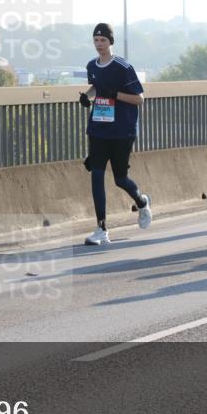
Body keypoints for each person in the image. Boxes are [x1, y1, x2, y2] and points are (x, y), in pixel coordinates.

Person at [78, 23, 151, 246]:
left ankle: (141, 201)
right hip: (99, 128)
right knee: (97, 175)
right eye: (96, 41)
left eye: (103, 40)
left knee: (120, 179)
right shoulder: (92, 65)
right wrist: (87, 97)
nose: (99, 45)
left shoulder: (122, 66)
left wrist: (115, 94)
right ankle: (101, 228)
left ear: (111, 42)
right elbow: (95, 87)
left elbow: (139, 98)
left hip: (122, 130)